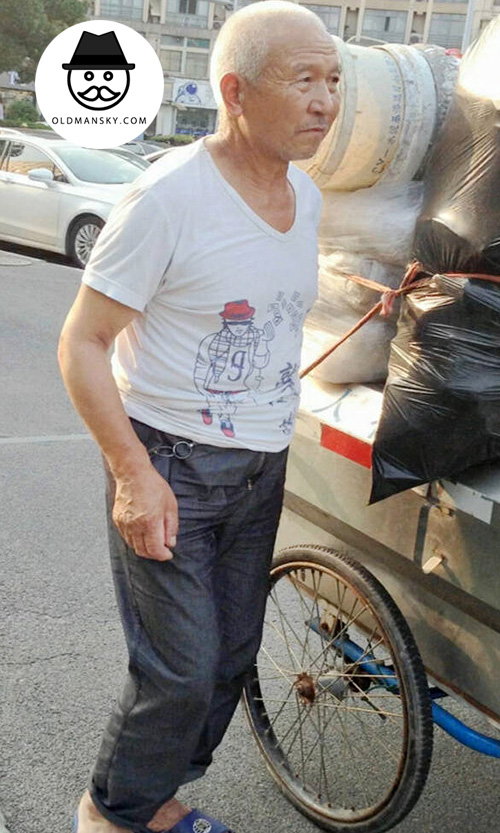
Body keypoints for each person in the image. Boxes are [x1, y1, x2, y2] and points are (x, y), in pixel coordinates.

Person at [58, 2, 340, 831]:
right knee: (176, 670)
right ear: (235, 91)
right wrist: (133, 476)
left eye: (333, 80)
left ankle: (158, 800)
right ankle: (109, 813)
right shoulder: (170, 196)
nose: (325, 99)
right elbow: (81, 344)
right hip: (170, 464)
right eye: (303, 79)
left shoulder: (309, 198)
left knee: (226, 661)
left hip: (260, 466)